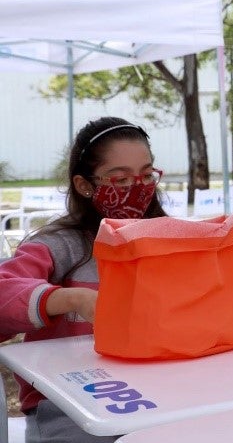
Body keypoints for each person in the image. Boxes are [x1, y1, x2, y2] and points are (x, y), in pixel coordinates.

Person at [0, 117, 167, 443]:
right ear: (84, 185)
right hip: (69, 405)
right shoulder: (58, 245)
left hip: (159, 395)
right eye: (120, 179)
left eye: (146, 175)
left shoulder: (169, 240)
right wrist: (71, 299)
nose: (137, 188)